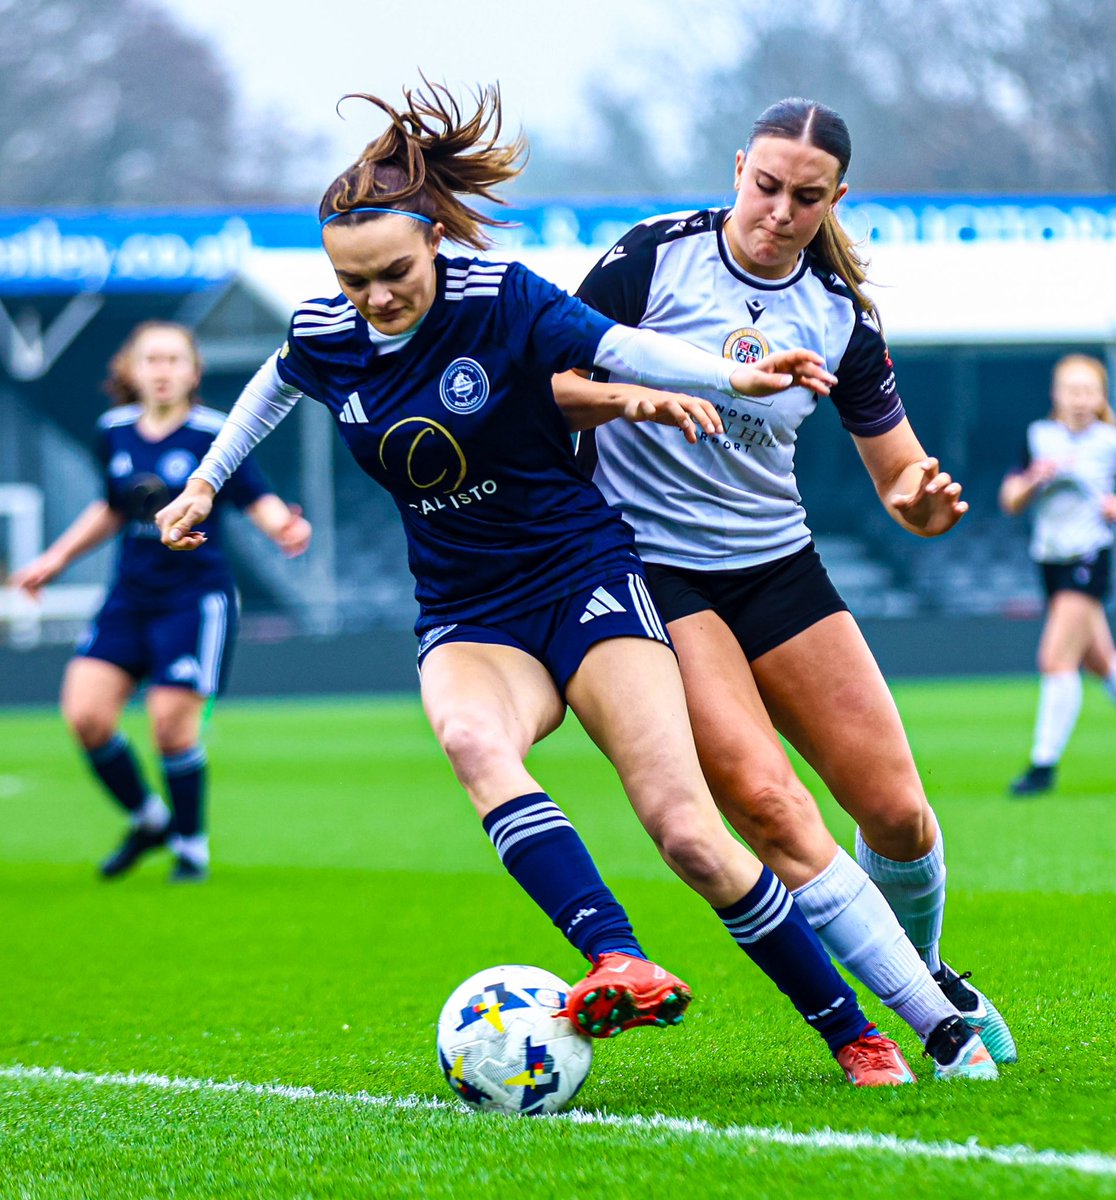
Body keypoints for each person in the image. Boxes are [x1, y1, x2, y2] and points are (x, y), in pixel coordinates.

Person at [154, 82, 986, 1084]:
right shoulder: (373, 319)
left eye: (804, 196)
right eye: (352, 279)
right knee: (608, 772)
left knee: (792, 822)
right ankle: (636, 960)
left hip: (671, 568)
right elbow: (310, 374)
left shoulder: (518, 296)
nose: (374, 300)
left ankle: (897, 1008)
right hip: (551, 589)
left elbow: (617, 354)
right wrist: (206, 482)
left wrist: (770, 409)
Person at [556, 96, 1016, 1067]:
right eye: (765, 186)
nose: (779, 210)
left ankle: (924, 975)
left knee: (897, 814)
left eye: (806, 197)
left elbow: (901, 477)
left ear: (835, 199)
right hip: (653, 568)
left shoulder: (839, 312)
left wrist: (925, 506)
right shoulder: (651, 260)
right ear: (737, 171)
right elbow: (548, 379)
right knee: (769, 804)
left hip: (776, 566)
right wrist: (645, 392)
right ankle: (921, 1034)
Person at [9, 321, 312, 882]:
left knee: (171, 728)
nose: (163, 370)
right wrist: (54, 560)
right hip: (129, 596)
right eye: (152, 360)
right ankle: (151, 820)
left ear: (194, 372)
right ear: (131, 370)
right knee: (86, 718)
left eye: (175, 360)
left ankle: (191, 846)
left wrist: (283, 529)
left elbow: (257, 498)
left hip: (195, 600)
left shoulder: (214, 434)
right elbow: (112, 508)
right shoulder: (114, 430)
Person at [1000, 353, 1116, 796]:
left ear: (1101, 396)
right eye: (1072, 390)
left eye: (1089, 391)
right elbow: (1010, 499)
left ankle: (1043, 766)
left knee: (1056, 659)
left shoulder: (1113, 441)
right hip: (1049, 558)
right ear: (1056, 395)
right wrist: (1032, 481)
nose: (1080, 399)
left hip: (1089, 557)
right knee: (1099, 659)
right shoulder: (1038, 437)